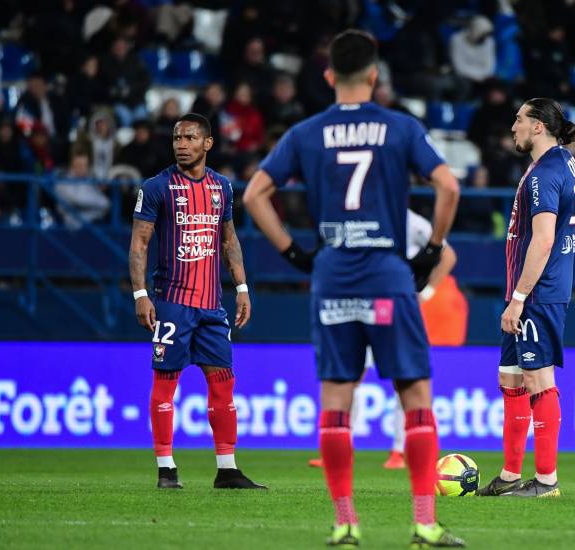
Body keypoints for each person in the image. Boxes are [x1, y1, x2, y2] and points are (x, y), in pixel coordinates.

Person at [243, 30, 464, 548]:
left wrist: (295, 253)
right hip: (388, 274)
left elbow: (255, 193)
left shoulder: (305, 132)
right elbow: (449, 186)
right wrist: (432, 249)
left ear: (327, 77)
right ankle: (424, 524)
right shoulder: (399, 127)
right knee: (414, 396)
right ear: (373, 75)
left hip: (332, 275)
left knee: (337, 401)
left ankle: (345, 523)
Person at [128, 112, 265, 491]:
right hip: (171, 301)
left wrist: (241, 287)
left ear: (207, 144)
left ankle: (227, 469)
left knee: (223, 383)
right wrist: (141, 294)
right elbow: (139, 242)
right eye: (176, 138)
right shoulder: (157, 187)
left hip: (212, 306)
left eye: (189, 138)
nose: (181, 145)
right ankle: (166, 470)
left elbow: (229, 240)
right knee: (165, 383)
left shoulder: (222, 187)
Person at [477, 98, 575, 498]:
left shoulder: (546, 173)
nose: (513, 125)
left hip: (537, 292)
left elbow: (544, 238)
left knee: (538, 377)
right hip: (529, 290)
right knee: (512, 378)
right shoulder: (560, 163)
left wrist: (519, 297)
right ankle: (509, 475)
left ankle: (547, 481)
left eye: (519, 119)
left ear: (539, 126)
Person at [307, 209, 458, 471]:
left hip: (394, 307)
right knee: (350, 380)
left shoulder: (411, 220)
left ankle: (399, 452)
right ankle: (342, 447)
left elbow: (448, 254)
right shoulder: (356, 214)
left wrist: (427, 290)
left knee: (405, 381)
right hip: (362, 304)